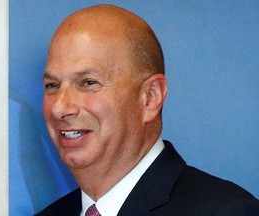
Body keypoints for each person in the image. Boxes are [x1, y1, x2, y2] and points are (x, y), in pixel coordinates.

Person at [36, 4, 259, 216]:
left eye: (88, 83)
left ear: (150, 98)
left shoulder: (226, 211)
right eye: (52, 85)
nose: (59, 108)